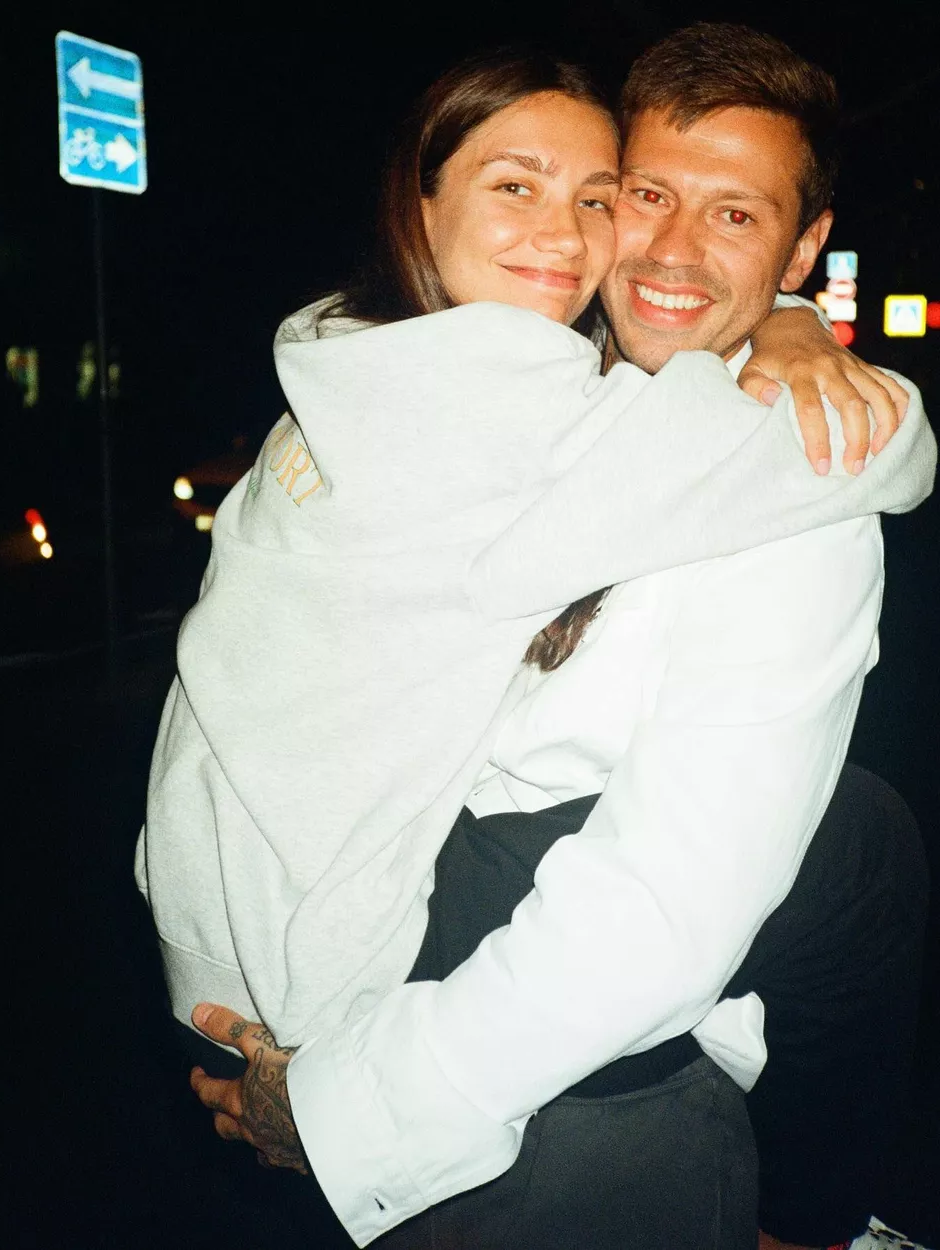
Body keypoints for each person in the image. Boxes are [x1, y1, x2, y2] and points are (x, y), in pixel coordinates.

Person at [159, 35, 934, 1250]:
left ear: (801, 248)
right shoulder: (504, 395)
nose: (669, 248)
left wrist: (343, 1110)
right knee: (862, 851)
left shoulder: (772, 499)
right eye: (646, 195)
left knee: (861, 845)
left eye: (734, 215)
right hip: (379, 1010)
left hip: (512, 1080)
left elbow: (663, 904)